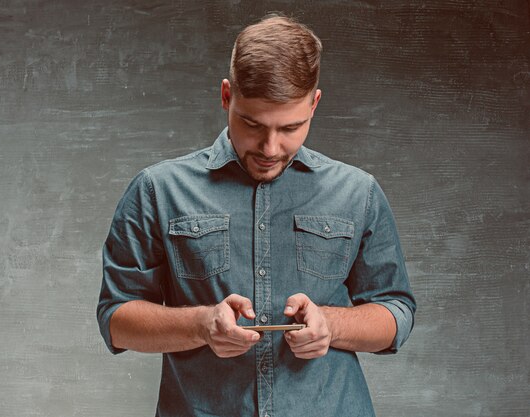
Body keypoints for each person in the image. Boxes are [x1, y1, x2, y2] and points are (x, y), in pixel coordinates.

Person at [97, 15, 416, 417]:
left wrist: (331, 325)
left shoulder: (358, 192)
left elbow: (396, 312)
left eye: (291, 127)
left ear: (315, 103)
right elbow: (116, 318)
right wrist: (200, 325)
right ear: (227, 96)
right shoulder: (157, 190)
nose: (270, 147)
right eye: (252, 124)